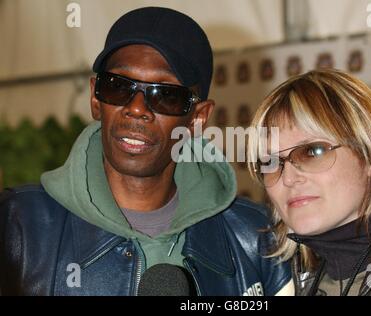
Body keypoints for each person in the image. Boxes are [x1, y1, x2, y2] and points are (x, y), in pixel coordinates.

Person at [0, 7, 291, 296]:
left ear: (197, 118)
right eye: (117, 86)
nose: (136, 109)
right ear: (95, 99)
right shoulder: (18, 226)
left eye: (165, 95)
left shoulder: (256, 238)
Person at [247, 68, 371, 296]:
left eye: (312, 151)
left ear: (370, 158)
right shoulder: (283, 283)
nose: (289, 178)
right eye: (271, 161)